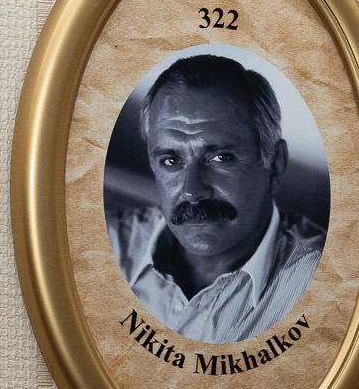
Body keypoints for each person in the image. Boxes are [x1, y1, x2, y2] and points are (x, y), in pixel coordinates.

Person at [109, 53, 325, 345]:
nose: (192, 191)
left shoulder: (324, 287)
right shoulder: (110, 245)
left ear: (275, 166)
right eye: (171, 161)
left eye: (221, 158)